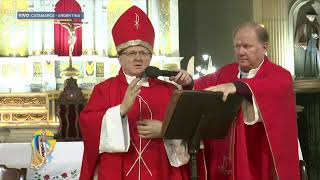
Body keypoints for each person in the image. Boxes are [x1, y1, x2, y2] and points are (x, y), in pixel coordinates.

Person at [79, 6, 206, 180]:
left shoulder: (168, 90)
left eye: (144, 53)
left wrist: (165, 130)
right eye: (131, 53)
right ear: (119, 56)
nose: (138, 58)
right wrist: (120, 111)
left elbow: (194, 127)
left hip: (161, 170)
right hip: (119, 170)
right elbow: (88, 126)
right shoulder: (104, 89)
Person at [173, 22, 300, 180]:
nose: (241, 52)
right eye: (237, 46)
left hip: (259, 159)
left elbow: (271, 88)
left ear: (264, 46)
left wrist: (237, 86)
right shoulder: (225, 72)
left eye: (247, 46)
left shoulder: (280, 75)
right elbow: (200, 86)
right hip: (223, 158)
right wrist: (188, 81)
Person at [294, 8, 320, 77]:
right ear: (307, 16)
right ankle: (307, 74)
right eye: (311, 16)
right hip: (306, 45)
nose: (312, 17)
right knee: (307, 58)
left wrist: (316, 36)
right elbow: (298, 35)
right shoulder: (303, 25)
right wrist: (300, 44)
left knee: (314, 58)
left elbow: (318, 33)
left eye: (313, 16)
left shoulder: (316, 24)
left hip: (314, 44)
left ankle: (314, 74)